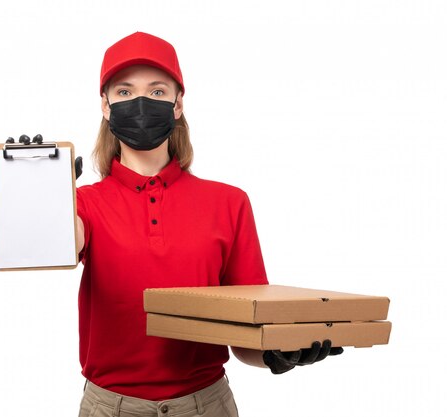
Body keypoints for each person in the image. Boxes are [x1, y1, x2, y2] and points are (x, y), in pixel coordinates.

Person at [73, 32, 342, 417]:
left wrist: (277, 352)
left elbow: (245, 333)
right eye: (125, 92)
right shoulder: (83, 204)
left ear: (179, 104)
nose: (142, 103)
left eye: (158, 92)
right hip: (110, 407)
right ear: (105, 105)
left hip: (206, 405)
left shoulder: (229, 203)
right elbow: (58, 244)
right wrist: (32, 192)